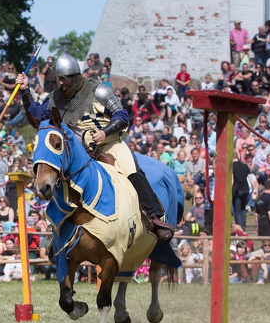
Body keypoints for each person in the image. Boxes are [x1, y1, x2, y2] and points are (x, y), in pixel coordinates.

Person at [16, 52, 174, 243]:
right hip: (81, 152)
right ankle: (60, 237)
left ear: (75, 77)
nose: (61, 83)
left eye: (65, 79)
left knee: (132, 171)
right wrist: (25, 91)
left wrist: (104, 133)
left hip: (108, 145)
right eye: (59, 79)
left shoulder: (98, 91)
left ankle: (154, 218)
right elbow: (37, 117)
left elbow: (122, 116)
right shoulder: (54, 99)